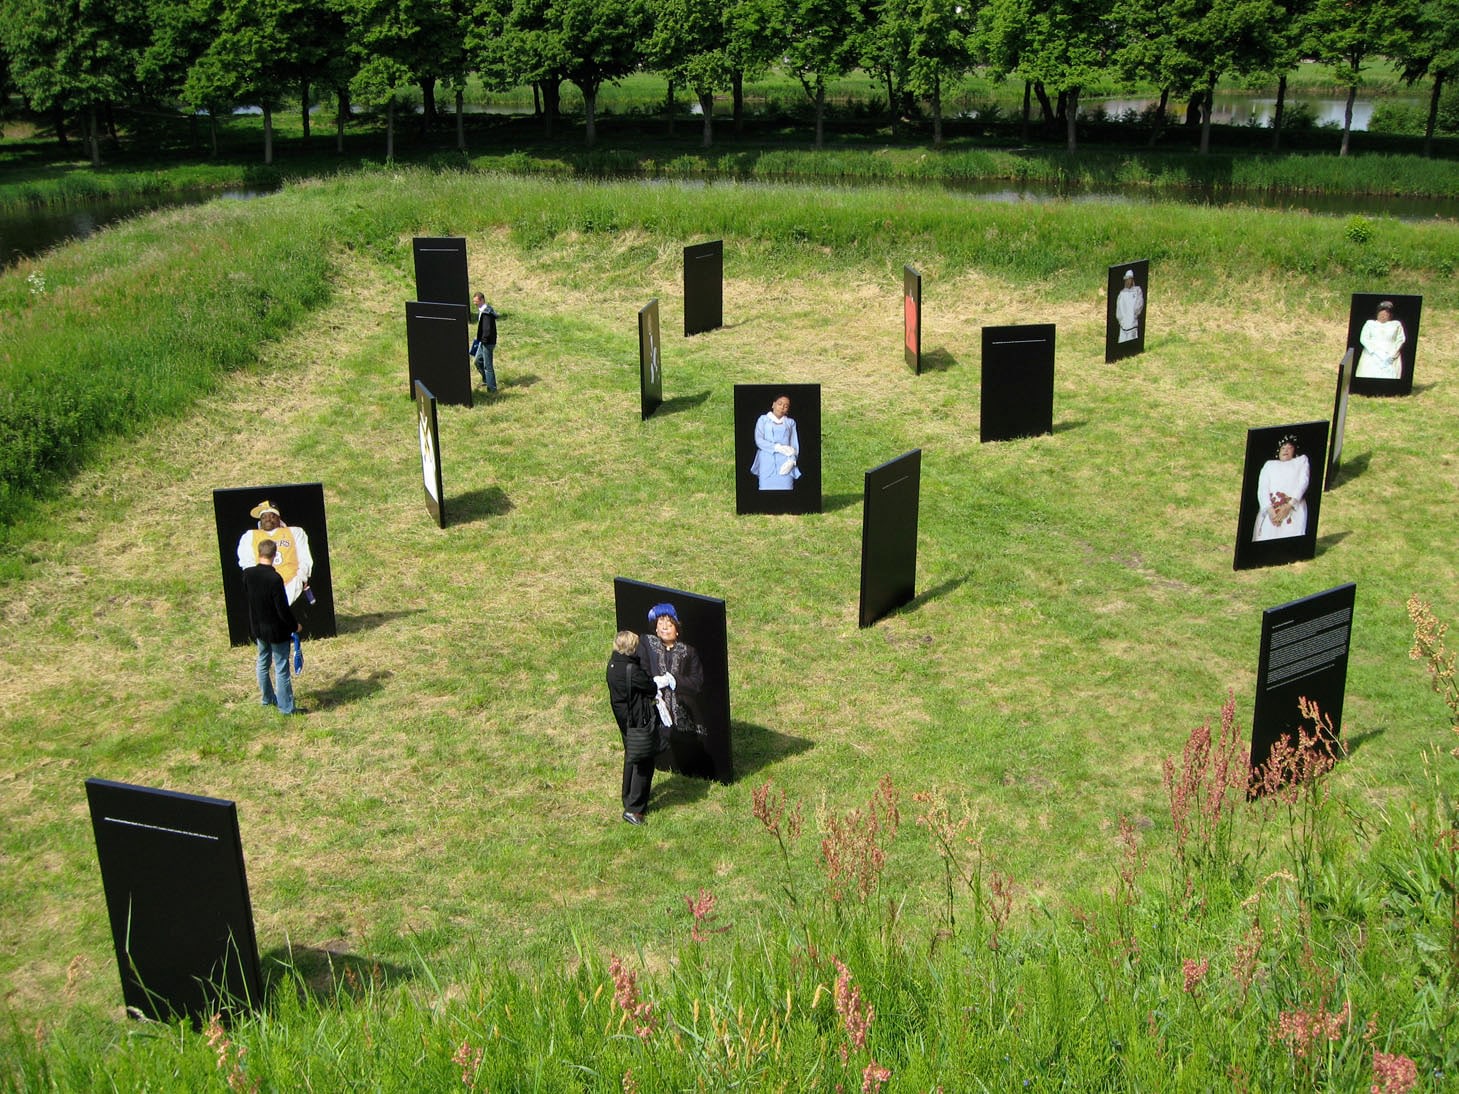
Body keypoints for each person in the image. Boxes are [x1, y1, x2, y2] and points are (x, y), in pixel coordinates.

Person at [637, 603, 706, 758]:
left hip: (682, 711)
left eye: (669, 624)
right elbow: (641, 667)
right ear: (655, 628)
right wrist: (652, 685)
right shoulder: (647, 643)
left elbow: (697, 682)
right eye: (660, 623)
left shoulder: (688, 651)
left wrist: (674, 680)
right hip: (656, 707)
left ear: (677, 630)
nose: (665, 627)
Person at [242, 539, 302, 714]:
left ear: (258, 553)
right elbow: (282, 609)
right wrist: (294, 626)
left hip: (259, 628)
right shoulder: (275, 579)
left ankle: (267, 698)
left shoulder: (247, 574)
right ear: (274, 556)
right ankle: (286, 708)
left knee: (262, 662)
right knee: (281, 668)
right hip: (276, 631)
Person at [606, 631, 658, 825]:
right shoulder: (631, 670)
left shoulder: (612, 665)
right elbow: (650, 687)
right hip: (637, 722)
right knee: (643, 761)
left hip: (624, 720)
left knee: (631, 756)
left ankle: (628, 796)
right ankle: (634, 809)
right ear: (630, 649)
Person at [236, 501, 313, 606]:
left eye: (272, 516)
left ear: (279, 518)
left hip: (292, 584)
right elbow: (247, 562)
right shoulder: (250, 535)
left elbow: (304, 557)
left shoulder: (295, 532)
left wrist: (301, 578)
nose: (268, 519)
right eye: (264, 517)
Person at [1253, 434, 1310, 541]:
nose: (1286, 450)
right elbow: (1263, 488)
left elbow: (1303, 482)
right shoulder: (1269, 465)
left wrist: (1289, 505)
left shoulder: (1301, 461)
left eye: (1289, 448)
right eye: (1283, 448)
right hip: (1272, 510)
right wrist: (1270, 511)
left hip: (1293, 507)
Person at [750, 395, 800, 491]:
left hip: (785, 462)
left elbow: (794, 445)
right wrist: (777, 447)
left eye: (786, 406)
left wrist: (792, 461)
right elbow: (759, 440)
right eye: (780, 404)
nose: (782, 407)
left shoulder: (790, 422)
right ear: (773, 405)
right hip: (766, 460)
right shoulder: (763, 419)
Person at [1355, 300, 1405, 380]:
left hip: (1389, 354)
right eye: (1381, 314)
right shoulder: (1370, 324)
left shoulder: (1396, 324)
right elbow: (1364, 338)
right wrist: (1375, 351)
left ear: (1390, 315)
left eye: (1386, 314)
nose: (1383, 316)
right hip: (1372, 354)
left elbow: (1400, 339)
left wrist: (1392, 354)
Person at [471, 291, 499, 393]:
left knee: (488, 366)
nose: (475, 304)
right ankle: (486, 380)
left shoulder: (486, 313)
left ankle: (492, 388)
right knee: (477, 361)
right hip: (483, 342)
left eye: (476, 301)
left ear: (482, 300)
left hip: (487, 343)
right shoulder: (482, 310)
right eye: (474, 301)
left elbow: (487, 331)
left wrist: (482, 341)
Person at [1116, 269, 1144, 344]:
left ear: (1132, 280)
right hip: (1123, 325)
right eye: (1127, 279)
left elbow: (1139, 304)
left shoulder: (1137, 290)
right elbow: (1119, 308)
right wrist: (1121, 320)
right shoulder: (1122, 293)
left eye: (1130, 279)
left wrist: (1134, 315)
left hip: (1132, 324)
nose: (1128, 281)